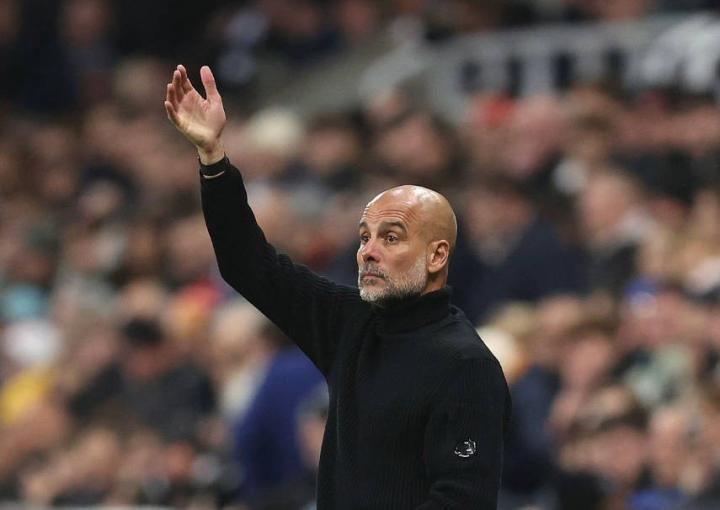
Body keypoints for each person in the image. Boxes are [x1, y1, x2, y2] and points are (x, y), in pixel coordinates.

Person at [164, 64, 511, 508]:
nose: (368, 251)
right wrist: (213, 158)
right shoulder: (350, 322)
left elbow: (462, 501)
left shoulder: (466, 364)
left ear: (437, 256)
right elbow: (248, 265)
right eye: (364, 237)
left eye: (391, 238)